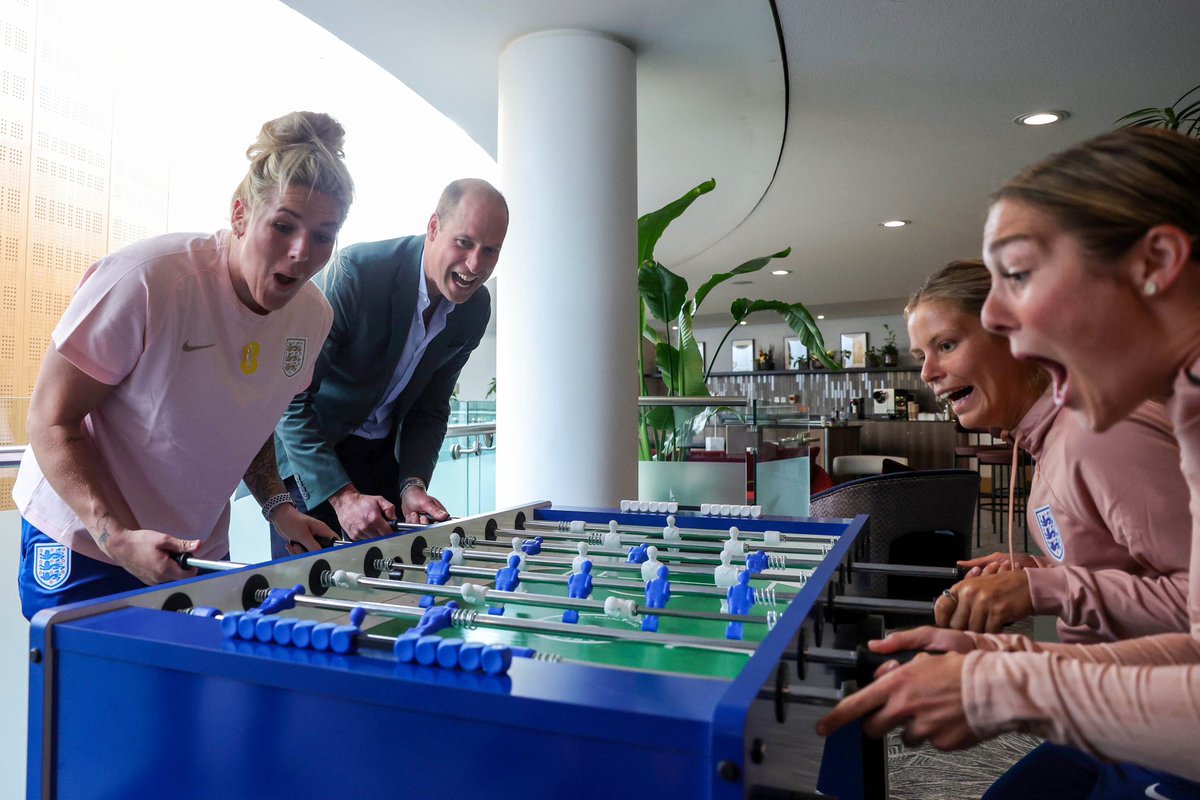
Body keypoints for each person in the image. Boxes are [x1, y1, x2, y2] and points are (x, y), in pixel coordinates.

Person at [818, 127, 1200, 799]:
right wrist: (1006, 658)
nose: (999, 315)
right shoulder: (1178, 413)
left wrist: (1015, 663)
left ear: (1157, 264)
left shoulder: (1113, 431)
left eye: (1019, 277)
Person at [13, 111, 355, 620]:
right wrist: (120, 537)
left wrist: (279, 508)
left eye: (324, 235)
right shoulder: (149, 280)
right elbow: (49, 419)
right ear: (240, 215)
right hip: (85, 540)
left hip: (190, 549)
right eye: (283, 226)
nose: (302, 252)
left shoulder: (312, 316)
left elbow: (254, 421)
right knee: (87, 695)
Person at [907, 259, 1190, 642]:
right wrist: (1038, 571)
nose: (927, 373)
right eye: (921, 356)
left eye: (946, 345)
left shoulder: (1099, 435)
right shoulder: (1048, 436)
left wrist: (1040, 589)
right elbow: (1123, 568)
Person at [274, 179, 507, 546]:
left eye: (491, 250)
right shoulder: (357, 273)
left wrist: (412, 483)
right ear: (434, 228)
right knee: (307, 597)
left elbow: (430, 408)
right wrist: (343, 497)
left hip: (380, 459)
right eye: (464, 242)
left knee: (384, 593)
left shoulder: (474, 309)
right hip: (313, 455)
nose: (475, 264)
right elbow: (288, 398)